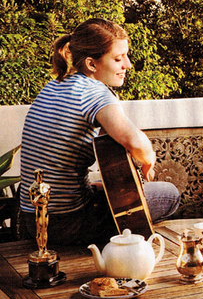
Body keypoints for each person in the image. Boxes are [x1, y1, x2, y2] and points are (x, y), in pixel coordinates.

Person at [19, 18, 180, 245]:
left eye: (126, 56)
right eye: (118, 58)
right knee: (168, 193)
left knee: (103, 188)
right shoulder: (95, 93)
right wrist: (148, 162)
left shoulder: (54, 85)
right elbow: (134, 141)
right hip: (68, 224)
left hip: (32, 219)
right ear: (92, 64)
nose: (128, 65)